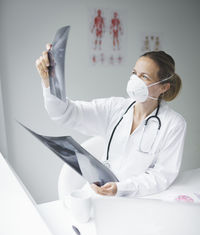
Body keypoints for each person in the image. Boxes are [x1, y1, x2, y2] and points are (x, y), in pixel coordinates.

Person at [36, 45, 186, 198]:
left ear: (164, 87)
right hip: (97, 193)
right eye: (134, 73)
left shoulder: (173, 124)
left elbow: (162, 176)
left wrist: (121, 188)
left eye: (144, 77)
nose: (135, 80)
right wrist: (50, 82)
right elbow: (65, 113)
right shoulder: (115, 107)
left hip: (137, 199)